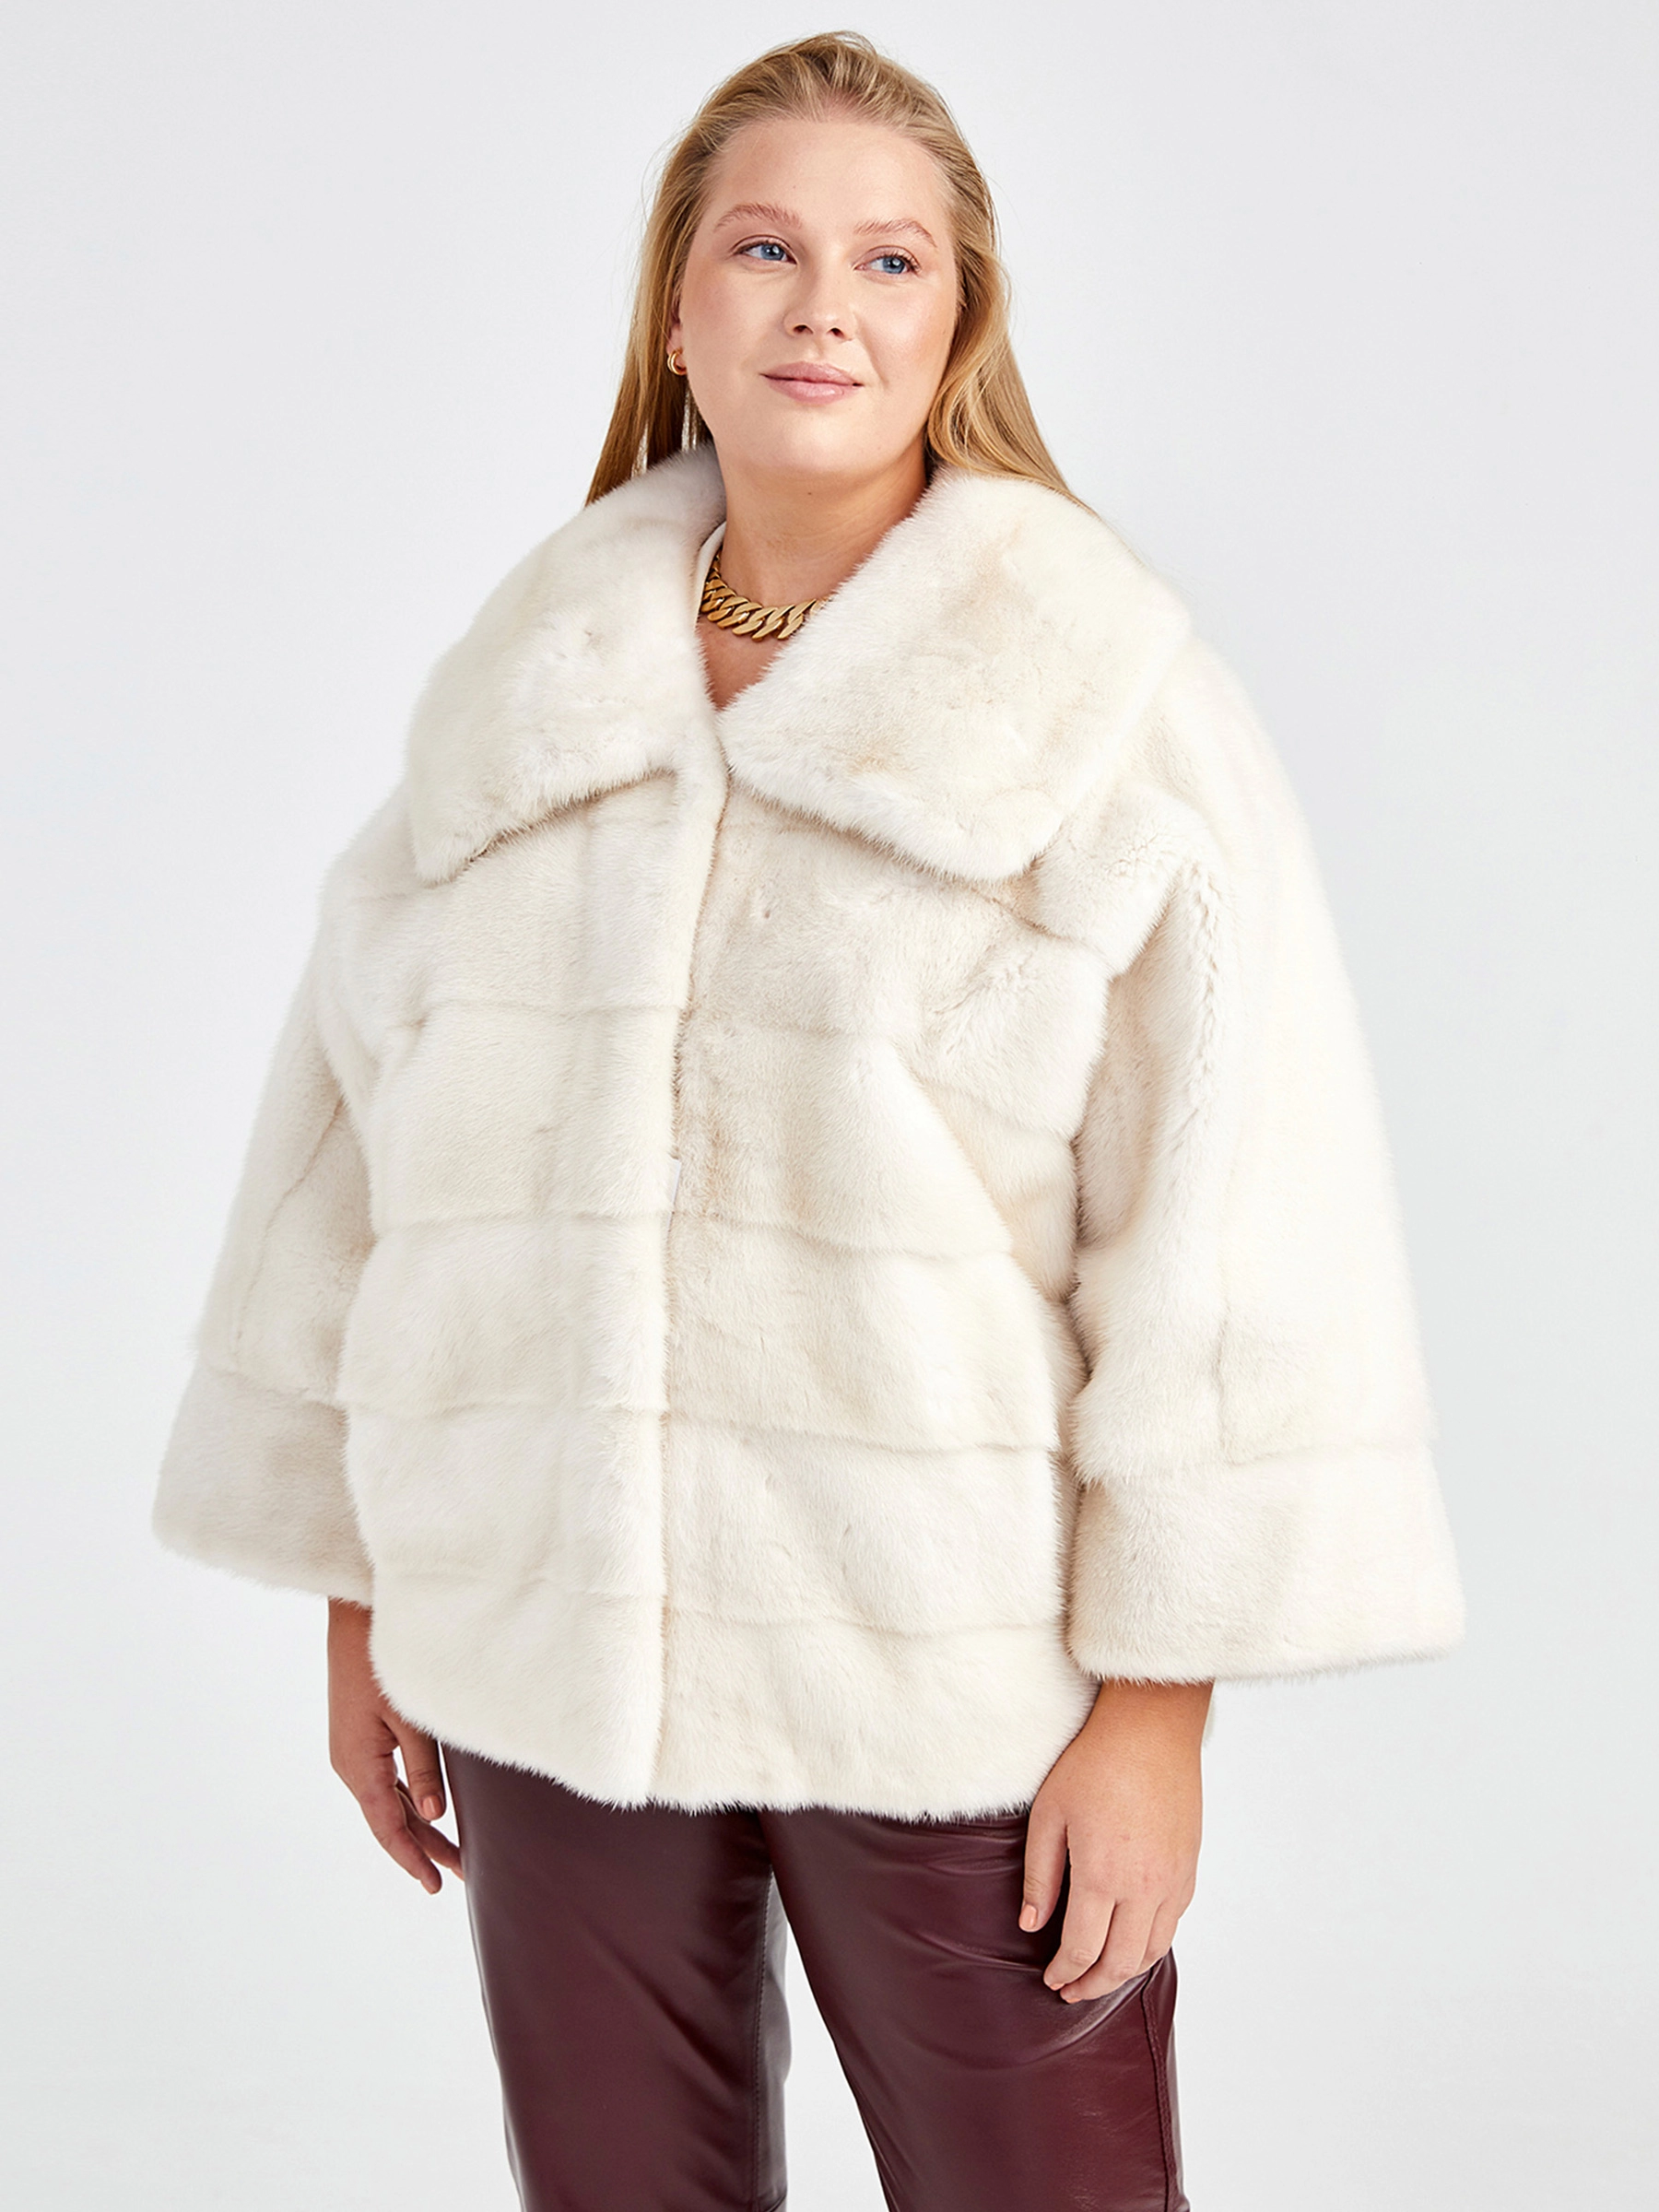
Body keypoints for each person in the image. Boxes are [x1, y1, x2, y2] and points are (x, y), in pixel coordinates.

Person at [152, 31, 1464, 2212]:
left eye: (890, 260)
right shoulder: (526, 703)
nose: (823, 305)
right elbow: (350, 1157)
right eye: (764, 249)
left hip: (948, 1668)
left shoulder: (1105, 709)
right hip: (546, 1639)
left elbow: (1238, 1223)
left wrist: (1158, 1714)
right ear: (678, 310)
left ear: (959, 324)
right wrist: (361, 1589)